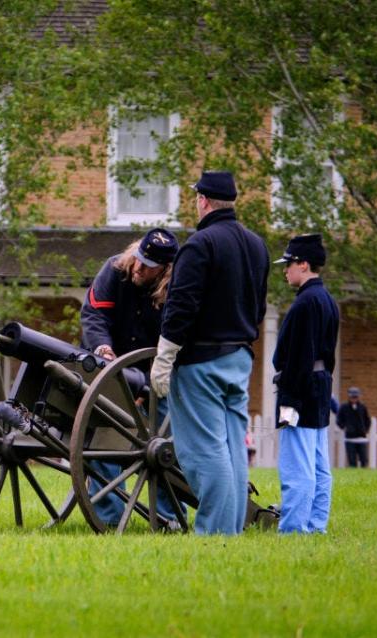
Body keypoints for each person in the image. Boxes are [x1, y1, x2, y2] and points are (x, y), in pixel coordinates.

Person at [150, 171, 270, 535]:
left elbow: (180, 307)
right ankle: (230, 530)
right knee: (233, 450)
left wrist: (164, 357)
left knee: (204, 452)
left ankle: (214, 534)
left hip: (201, 362)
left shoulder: (200, 245)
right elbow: (260, 309)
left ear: (202, 200)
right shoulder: (257, 245)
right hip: (240, 358)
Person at [80, 227, 183, 527]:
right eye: (139, 259)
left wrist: (148, 385)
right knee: (106, 439)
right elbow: (94, 314)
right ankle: (108, 517)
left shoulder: (175, 289)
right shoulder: (115, 269)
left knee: (164, 446)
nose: (139, 267)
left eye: (148, 266)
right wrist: (102, 349)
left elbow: (173, 337)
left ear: (165, 269)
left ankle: (169, 518)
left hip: (156, 375)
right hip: (110, 370)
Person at [272, 233, 340, 534]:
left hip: (301, 388)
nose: (285, 270)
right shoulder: (327, 300)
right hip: (320, 385)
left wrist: (289, 399)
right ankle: (315, 525)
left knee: (297, 466)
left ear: (304, 264)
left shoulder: (304, 304)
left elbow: (298, 357)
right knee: (318, 463)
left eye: (289, 264)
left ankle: (294, 529)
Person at [336, 386, 371, 468]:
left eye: (356, 397)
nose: (354, 398)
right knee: (352, 461)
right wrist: (344, 427)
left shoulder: (363, 407)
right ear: (349, 396)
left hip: (362, 438)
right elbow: (339, 420)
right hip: (350, 438)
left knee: (364, 460)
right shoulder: (344, 407)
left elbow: (367, 420)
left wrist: (365, 430)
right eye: (352, 397)